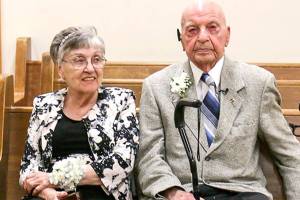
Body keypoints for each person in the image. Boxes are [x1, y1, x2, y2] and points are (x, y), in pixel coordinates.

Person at [135, 1, 300, 200]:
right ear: (181, 39)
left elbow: (290, 156)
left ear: (227, 35)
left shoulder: (259, 83)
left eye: (212, 28)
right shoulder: (156, 87)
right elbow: (148, 157)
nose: (203, 37)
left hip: (243, 193)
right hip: (183, 192)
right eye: (192, 30)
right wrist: (172, 192)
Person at [19, 26, 139, 200]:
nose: (90, 68)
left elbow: (123, 161)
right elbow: (27, 169)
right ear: (60, 70)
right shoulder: (44, 105)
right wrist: (48, 193)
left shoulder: (121, 100)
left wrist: (55, 178)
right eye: (79, 60)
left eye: (97, 59)